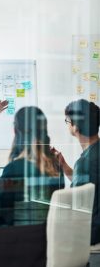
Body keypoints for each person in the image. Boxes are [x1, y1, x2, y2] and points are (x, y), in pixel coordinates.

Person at [53, 99, 100, 245]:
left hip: (90, 234)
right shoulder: (94, 154)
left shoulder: (85, 163)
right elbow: (90, 183)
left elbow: (73, 208)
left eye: (67, 121)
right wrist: (64, 166)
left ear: (76, 127)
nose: (67, 124)